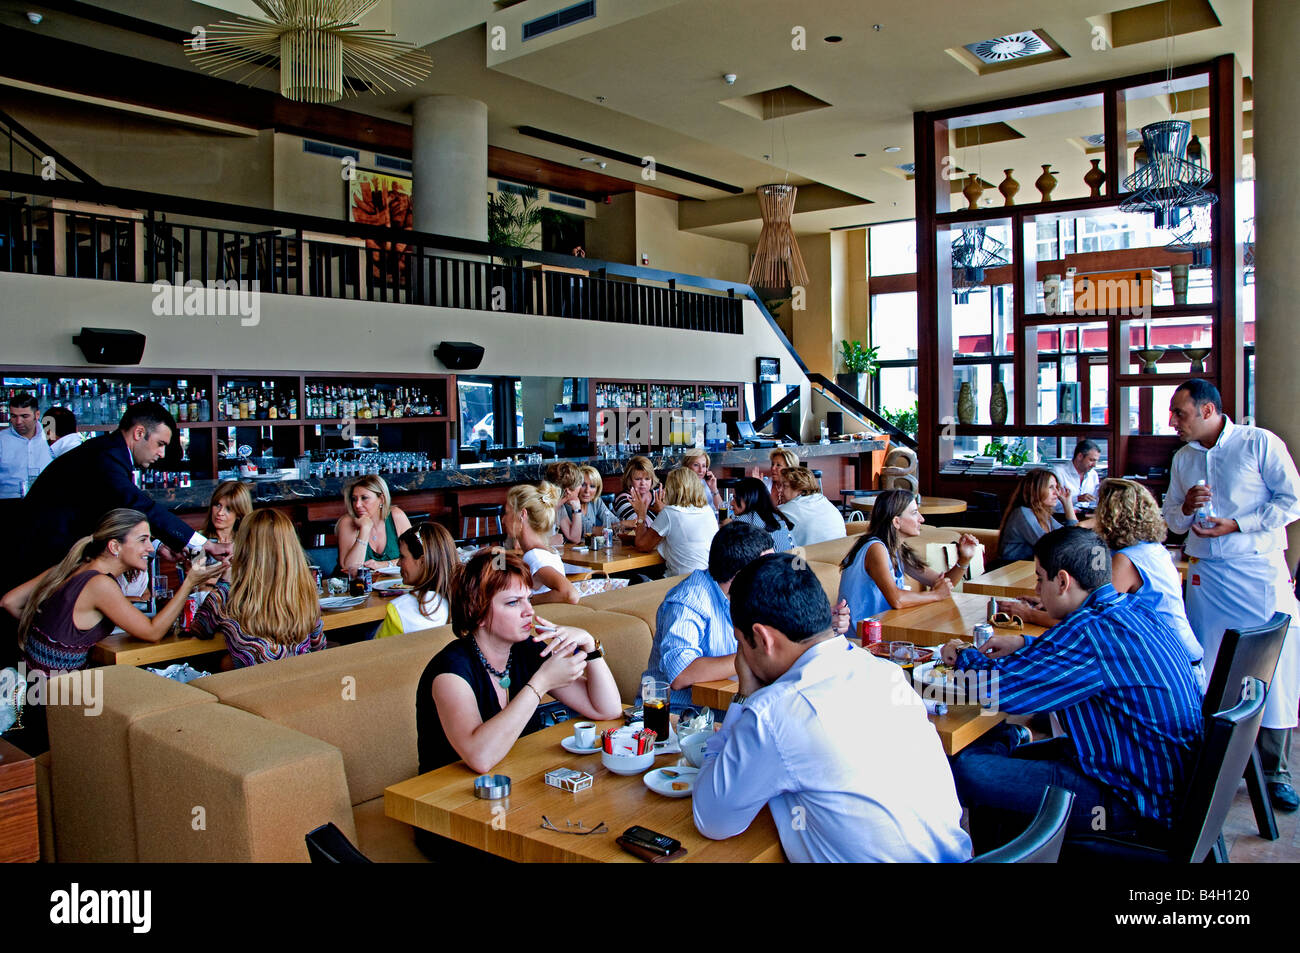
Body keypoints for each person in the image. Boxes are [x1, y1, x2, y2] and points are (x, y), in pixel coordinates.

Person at [692, 552, 972, 862]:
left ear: (762, 638)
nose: (741, 656)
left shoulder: (775, 712)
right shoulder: (885, 672)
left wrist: (745, 697)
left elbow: (712, 819)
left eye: (740, 644)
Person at [941, 527, 1203, 849]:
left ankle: (1009, 742)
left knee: (966, 770)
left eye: (1040, 579)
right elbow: (1089, 659)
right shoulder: (1133, 610)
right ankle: (1009, 747)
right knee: (993, 758)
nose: (1036, 588)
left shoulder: (1088, 632)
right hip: (1161, 782)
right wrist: (1024, 642)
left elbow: (995, 690)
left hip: (1131, 803)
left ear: (1063, 581)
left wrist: (960, 654)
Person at [1162, 378, 1300, 811]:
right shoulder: (1183, 459)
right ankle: (1209, 761)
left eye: (1179, 413)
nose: (1173, 422)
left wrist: (1238, 524)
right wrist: (1185, 508)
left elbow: (1292, 499)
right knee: (1205, 665)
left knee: (1269, 672)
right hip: (1208, 578)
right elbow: (1170, 517)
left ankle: (1275, 771)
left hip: (1258, 573)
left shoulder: (1258, 443)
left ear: (1207, 410)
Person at [415, 548, 621, 776]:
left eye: (528, 599)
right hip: (443, 798)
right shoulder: (450, 671)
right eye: (513, 603)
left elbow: (606, 709)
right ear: (478, 611)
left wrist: (590, 645)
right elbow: (480, 758)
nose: (529, 611)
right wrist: (540, 683)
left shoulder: (526, 649)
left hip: (512, 781)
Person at [12, 401, 229, 576]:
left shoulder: (109, 452)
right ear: (139, 433)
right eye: (160, 444)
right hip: (37, 554)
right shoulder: (106, 456)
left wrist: (157, 544)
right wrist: (203, 544)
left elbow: (110, 508)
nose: (162, 454)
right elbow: (135, 503)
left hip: (44, 550)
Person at [2, 507, 228, 673]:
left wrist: (49, 639)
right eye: (143, 540)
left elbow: (9, 602)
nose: (150, 549)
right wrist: (189, 582)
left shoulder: (74, 566)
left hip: (35, 684)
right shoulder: (100, 584)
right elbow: (152, 633)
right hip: (58, 699)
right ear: (114, 546)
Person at [184, 509, 325, 667]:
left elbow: (199, 628)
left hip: (254, 687)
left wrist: (224, 580)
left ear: (244, 547)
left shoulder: (228, 596)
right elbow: (319, 646)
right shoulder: (304, 592)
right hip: (300, 682)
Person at [837, 489, 980, 631]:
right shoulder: (875, 549)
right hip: (861, 639)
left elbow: (943, 583)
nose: (921, 519)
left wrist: (964, 560)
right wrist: (935, 594)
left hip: (884, 631)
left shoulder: (896, 549)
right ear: (896, 521)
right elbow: (897, 600)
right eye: (914, 513)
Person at [375, 522, 459, 638]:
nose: (398, 563)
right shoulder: (466, 602)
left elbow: (378, 653)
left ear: (423, 561)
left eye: (402, 556)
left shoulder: (400, 610)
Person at [632, 466, 718, 577]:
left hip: (682, 583)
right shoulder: (707, 510)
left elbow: (642, 546)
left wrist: (641, 514)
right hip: (709, 580)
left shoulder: (670, 512)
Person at [505, 482, 578, 605]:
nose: (503, 519)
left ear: (522, 515)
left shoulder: (534, 556)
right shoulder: (547, 551)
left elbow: (570, 594)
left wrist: (525, 601)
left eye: (507, 513)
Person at [996, 468, 1076, 563]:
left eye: (1056, 487)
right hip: (1011, 569)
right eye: (1051, 487)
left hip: (1029, 566)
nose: (1057, 493)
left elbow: (1073, 537)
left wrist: (1068, 504)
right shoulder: (1023, 513)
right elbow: (1050, 547)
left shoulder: (1042, 513)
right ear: (1035, 489)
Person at [336, 474, 411, 574]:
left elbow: (414, 558)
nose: (357, 505)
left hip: (395, 585)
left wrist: (382, 565)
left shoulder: (396, 516)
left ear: (381, 499)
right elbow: (350, 569)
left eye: (364, 498)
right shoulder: (347, 522)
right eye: (354, 499)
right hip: (357, 587)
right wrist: (365, 530)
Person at [774, 466, 845, 547]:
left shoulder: (789, 509)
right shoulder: (822, 499)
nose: (780, 490)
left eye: (785, 486)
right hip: (840, 555)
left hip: (812, 558)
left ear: (800, 488)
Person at [0, 392, 53, 498]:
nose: (18, 422)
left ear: (37, 415)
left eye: (24, 416)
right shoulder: (2, 440)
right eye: (14, 416)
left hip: (46, 502)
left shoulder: (51, 437)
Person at [727, 476, 796, 552]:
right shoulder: (775, 515)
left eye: (735, 497)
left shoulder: (744, 522)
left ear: (749, 497)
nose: (731, 503)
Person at [201, 480, 253, 546]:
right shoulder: (198, 539)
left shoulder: (247, 543)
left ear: (239, 514)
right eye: (218, 505)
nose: (220, 513)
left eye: (229, 509)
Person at [611, 454, 660, 522]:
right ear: (629, 480)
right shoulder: (623, 499)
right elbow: (637, 525)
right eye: (638, 479)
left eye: (647, 479)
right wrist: (660, 512)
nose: (643, 483)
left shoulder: (657, 496)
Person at [1053, 439, 1102, 508]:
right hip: (1061, 516)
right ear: (1080, 456)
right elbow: (1051, 503)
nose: (1094, 465)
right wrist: (1077, 499)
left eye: (1096, 461)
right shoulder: (1058, 472)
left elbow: (1095, 502)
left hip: (1086, 516)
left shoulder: (1093, 474)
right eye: (1091, 460)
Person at [575, 464, 620, 536]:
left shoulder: (596, 501)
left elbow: (613, 520)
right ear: (575, 485)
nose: (587, 490)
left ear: (597, 489)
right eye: (583, 485)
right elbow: (587, 530)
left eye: (592, 486)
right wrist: (622, 525)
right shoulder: (570, 504)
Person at [546, 460, 584, 543]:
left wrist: (577, 508)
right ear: (568, 491)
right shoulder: (540, 506)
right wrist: (549, 541)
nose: (581, 487)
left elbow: (574, 538)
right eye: (579, 484)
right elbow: (518, 544)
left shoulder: (560, 507)